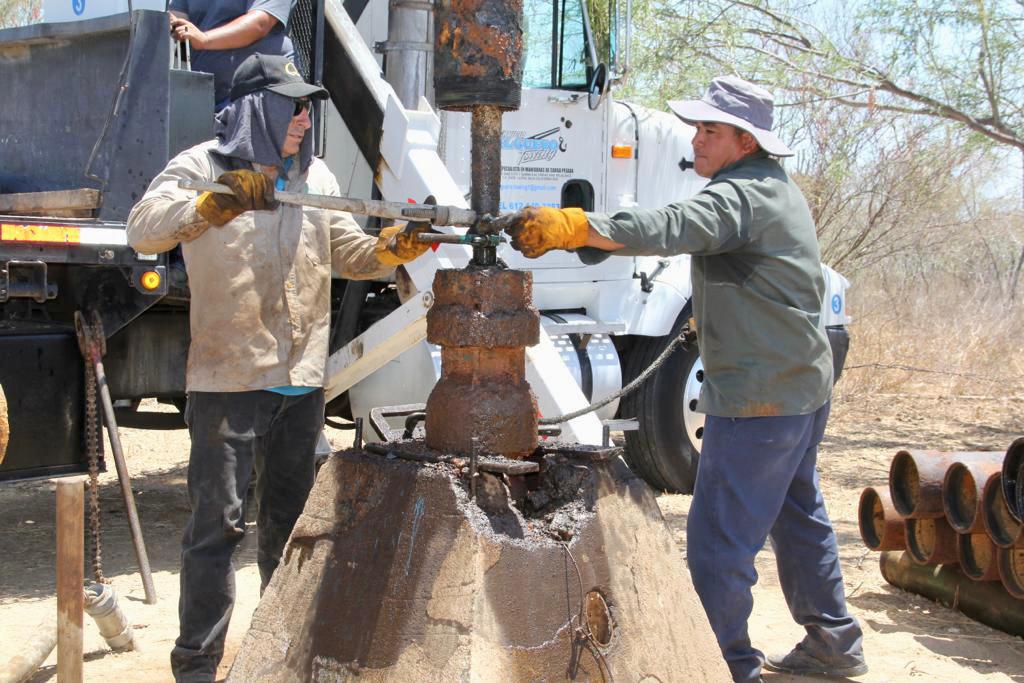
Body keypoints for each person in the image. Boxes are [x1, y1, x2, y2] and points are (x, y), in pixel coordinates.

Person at [498, 76, 867, 682]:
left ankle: (721, 665)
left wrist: (575, 226)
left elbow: (668, 224)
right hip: (797, 385)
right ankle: (834, 641)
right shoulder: (773, 189)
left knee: (718, 543)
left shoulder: (741, 196)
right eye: (696, 128)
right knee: (798, 516)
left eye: (711, 131)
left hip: (760, 398)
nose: (696, 140)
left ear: (745, 142)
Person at [127, 53, 431, 683]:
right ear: (252, 111)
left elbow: (343, 247)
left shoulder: (312, 173)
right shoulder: (200, 166)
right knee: (217, 529)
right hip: (229, 382)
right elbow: (142, 230)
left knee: (291, 530)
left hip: (301, 384)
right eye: (290, 106)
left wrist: (389, 249)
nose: (302, 118)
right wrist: (212, 204)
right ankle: (197, 667)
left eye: (305, 108)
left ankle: (279, 656)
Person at [169, 0, 298, 110]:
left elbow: (261, 23)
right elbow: (178, 21)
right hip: (198, 99)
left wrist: (204, 39)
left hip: (256, 99)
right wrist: (173, 25)